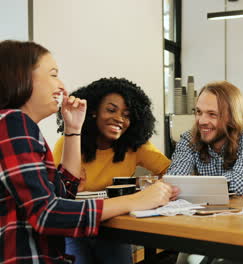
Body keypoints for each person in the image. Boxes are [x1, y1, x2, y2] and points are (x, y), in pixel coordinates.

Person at [0, 40, 177, 264]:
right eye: (54, 74)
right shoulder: (13, 123)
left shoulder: (20, 126)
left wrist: (73, 129)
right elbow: (47, 214)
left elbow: (63, 195)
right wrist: (136, 200)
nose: (62, 86)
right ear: (22, 77)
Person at [53, 77, 171, 263]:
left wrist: (152, 187)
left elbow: (172, 171)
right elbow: (55, 193)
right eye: (111, 110)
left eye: (127, 115)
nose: (119, 119)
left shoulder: (136, 146)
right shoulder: (69, 143)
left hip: (114, 225)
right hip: (76, 225)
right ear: (93, 111)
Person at [166, 81, 243, 195]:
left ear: (233, 117)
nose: (202, 121)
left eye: (212, 114)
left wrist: (191, 186)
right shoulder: (189, 138)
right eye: (198, 112)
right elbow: (173, 184)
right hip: (205, 211)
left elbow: (241, 185)